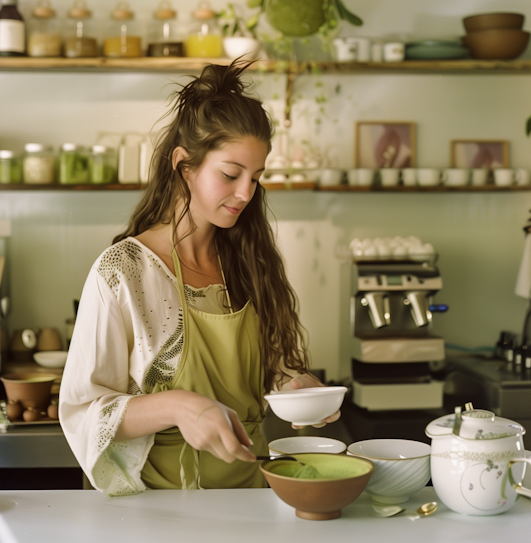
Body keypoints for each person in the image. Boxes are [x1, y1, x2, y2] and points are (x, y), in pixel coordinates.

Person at [59, 60, 340, 496]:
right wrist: (179, 406)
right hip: (162, 509)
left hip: (255, 495)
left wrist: (294, 386)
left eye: (256, 178)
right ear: (184, 165)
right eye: (230, 174)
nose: (246, 193)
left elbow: (271, 370)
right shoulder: (122, 272)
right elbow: (83, 412)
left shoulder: (251, 261)